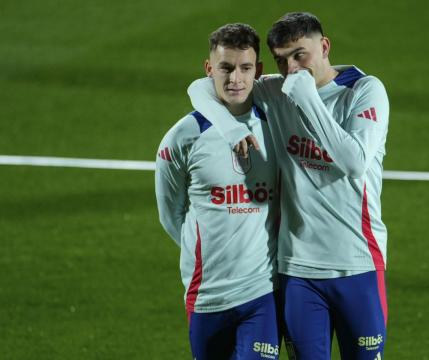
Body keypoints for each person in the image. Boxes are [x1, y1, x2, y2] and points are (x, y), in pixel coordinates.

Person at [188, 12, 390, 360]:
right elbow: (200, 88)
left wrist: (307, 97)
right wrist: (230, 127)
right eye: (282, 61)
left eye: (300, 55)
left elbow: (354, 162)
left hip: (359, 263)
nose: (292, 68)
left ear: (324, 46)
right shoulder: (277, 90)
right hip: (297, 271)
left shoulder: (364, 91)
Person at [155, 23, 280, 360]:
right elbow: (171, 216)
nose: (235, 78)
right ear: (209, 69)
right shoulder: (182, 137)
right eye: (225, 68)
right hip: (206, 295)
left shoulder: (277, 129)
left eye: (244, 68)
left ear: (259, 71)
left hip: (262, 293)